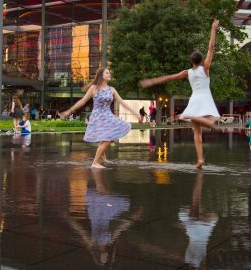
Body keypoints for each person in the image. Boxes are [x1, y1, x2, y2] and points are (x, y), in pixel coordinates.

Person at [140, 19, 221, 168]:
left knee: (197, 133)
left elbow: (170, 77)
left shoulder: (187, 72)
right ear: (201, 60)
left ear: (191, 61)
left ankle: (200, 160)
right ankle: (190, 118)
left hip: (195, 98)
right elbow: (211, 48)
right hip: (204, 97)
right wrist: (213, 30)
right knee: (210, 123)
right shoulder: (206, 68)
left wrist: (152, 81)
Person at [59, 68, 140, 168]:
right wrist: (69, 111)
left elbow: (122, 102)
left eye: (110, 72)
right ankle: (95, 163)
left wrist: (136, 114)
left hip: (108, 116)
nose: (109, 74)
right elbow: (82, 101)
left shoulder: (112, 89)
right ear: (102, 76)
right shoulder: (94, 88)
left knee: (107, 137)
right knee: (106, 139)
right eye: (107, 73)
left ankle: (103, 158)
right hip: (98, 117)